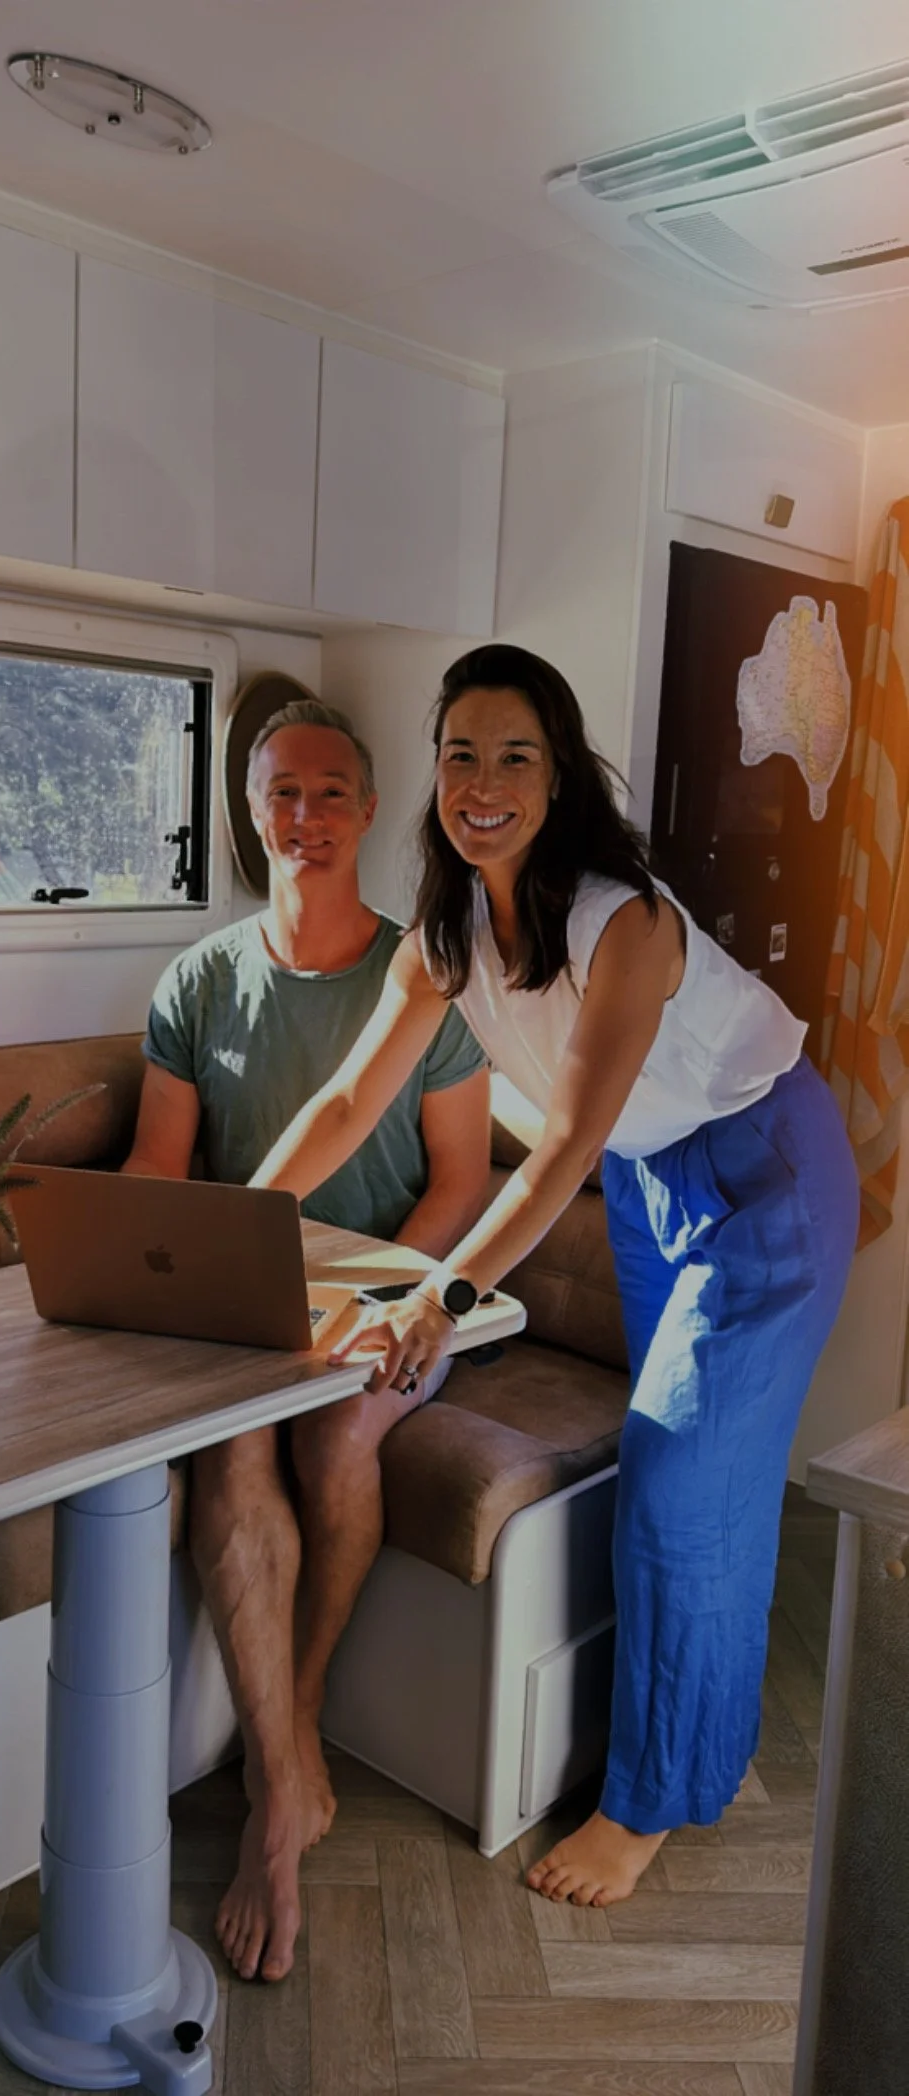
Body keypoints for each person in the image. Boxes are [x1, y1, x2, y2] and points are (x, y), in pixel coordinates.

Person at [251, 644, 859, 1911]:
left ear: (560, 773)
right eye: (461, 753)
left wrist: (441, 1295)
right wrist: (239, 1216)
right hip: (651, 1177)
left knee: (681, 1477)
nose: (483, 781)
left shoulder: (622, 922)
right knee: (712, 1480)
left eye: (515, 755)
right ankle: (708, 1743)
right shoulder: (448, 934)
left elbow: (563, 1145)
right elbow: (355, 1094)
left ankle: (646, 1802)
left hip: (765, 1174)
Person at [123, 698, 491, 1978]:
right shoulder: (195, 980)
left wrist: (394, 1299)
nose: (304, 817)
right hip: (252, 1307)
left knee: (339, 1444)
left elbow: (460, 1184)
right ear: (248, 809)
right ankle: (285, 1793)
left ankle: (301, 1712)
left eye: (331, 791)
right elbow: (159, 1175)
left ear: (373, 808)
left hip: (400, 1301)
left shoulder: (424, 974)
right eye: (281, 792)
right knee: (229, 1458)